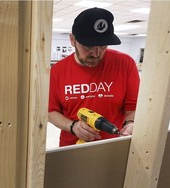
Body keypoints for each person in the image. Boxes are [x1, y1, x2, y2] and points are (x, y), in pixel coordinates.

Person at [48, 8, 140, 147]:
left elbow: (133, 107)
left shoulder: (125, 64)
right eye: (88, 46)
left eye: (102, 46)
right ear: (72, 39)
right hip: (72, 148)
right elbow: (50, 111)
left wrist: (130, 123)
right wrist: (72, 126)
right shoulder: (57, 71)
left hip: (114, 145)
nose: (96, 53)